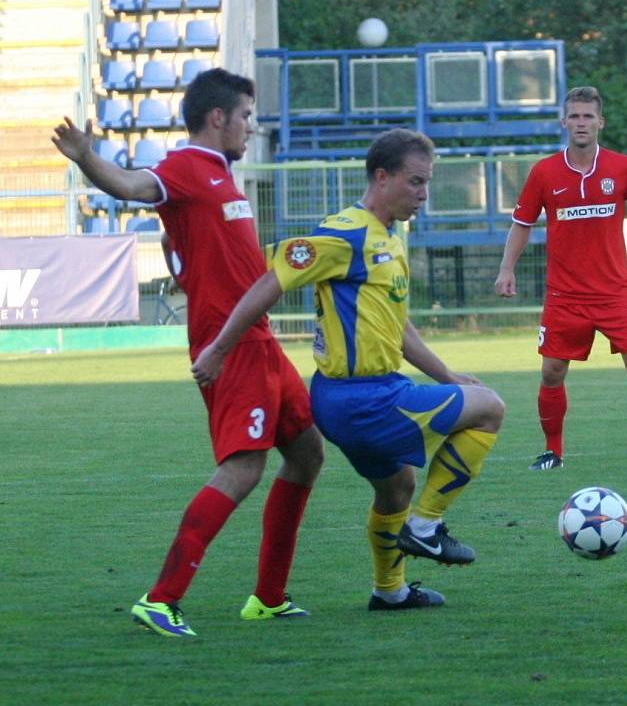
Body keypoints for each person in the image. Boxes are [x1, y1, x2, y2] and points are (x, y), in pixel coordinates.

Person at [51, 68, 324, 637]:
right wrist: (86, 157)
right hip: (231, 346)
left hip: (261, 340)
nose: (253, 126)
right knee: (243, 467)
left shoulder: (220, 178)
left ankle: (268, 597)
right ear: (217, 117)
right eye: (246, 115)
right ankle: (161, 598)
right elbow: (130, 187)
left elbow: (186, 250)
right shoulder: (185, 169)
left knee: (306, 453)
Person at [192, 129, 505, 611]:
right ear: (382, 177)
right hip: (358, 399)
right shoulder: (344, 233)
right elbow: (270, 283)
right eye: (415, 181)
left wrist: (448, 376)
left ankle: (390, 590)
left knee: (396, 485)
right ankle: (425, 528)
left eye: (428, 183)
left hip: (373, 392)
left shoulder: (391, 238)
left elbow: (400, 329)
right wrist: (218, 348)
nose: (423, 193)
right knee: (490, 409)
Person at [495, 85, 627, 470]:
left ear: (600, 123)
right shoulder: (544, 172)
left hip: (614, 292)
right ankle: (553, 452)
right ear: (564, 122)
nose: (581, 122)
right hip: (565, 295)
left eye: (588, 116)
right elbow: (522, 223)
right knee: (551, 371)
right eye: (574, 116)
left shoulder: (623, 168)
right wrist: (506, 268)